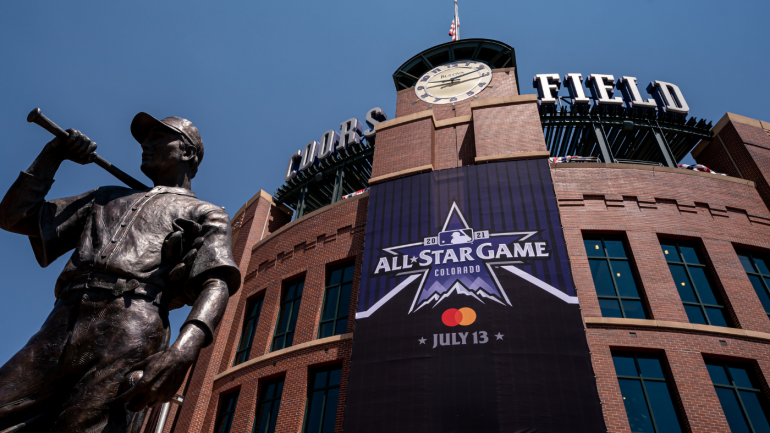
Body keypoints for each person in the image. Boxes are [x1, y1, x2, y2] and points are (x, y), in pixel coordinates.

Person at [0, 113, 241, 432]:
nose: (146, 144)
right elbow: (14, 217)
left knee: (84, 427)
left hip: (132, 326)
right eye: (146, 138)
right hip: (62, 321)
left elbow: (216, 281)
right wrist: (54, 154)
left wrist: (184, 350)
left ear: (187, 151)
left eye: (158, 137)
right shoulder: (106, 198)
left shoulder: (204, 213)